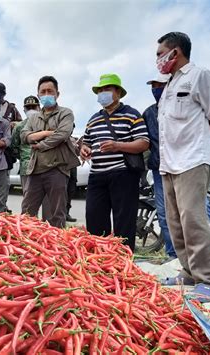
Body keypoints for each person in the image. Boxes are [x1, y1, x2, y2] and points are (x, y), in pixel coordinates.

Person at [156, 32, 210, 301]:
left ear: (175, 52)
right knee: (176, 223)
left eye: (160, 53)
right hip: (170, 163)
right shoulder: (170, 84)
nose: (158, 59)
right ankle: (188, 271)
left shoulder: (201, 76)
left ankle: (208, 280)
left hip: (193, 159)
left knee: (193, 219)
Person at [143, 74, 210, 264]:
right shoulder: (150, 113)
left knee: (199, 210)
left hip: (188, 165)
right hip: (162, 168)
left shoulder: (188, 104)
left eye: (161, 84)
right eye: (154, 85)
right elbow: (145, 140)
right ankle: (174, 254)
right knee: (165, 213)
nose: (157, 89)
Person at [80, 74, 149, 252]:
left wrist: (118, 145)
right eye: (100, 90)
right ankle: (100, 258)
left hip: (123, 174)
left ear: (118, 92)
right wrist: (84, 149)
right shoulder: (93, 119)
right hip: (97, 175)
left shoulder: (131, 114)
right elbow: (86, 141)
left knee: (124, 221)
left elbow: (143, 142)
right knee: (94, 219)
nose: (103, 93)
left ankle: (124, 260)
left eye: (107, 89)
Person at [20, 76, 80, 228]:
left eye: (50, 91)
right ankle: (26, 245)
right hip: (35, 170)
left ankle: (56, 249)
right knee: (27, 213)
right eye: (43, 92)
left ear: (57, 94)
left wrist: (40, 145)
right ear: (38, 95)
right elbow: (24, 136)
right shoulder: (34, 118)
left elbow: (62, 135)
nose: (46, 94)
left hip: (57, 169)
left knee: (55, 215)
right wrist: (46, 133)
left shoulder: (65, 113)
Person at [11, 95, 52, 222]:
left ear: (39, 107)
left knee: (49, 202)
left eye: (33, 107)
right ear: (24, 110)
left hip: (46, 166)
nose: (31, 110)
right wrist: (24, 158)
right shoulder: (19, 127)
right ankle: (30, 230)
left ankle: (48, 229)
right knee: (29, 203)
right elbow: (14, 147)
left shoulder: (47, 124)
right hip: (27, 168)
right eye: (28, 108)